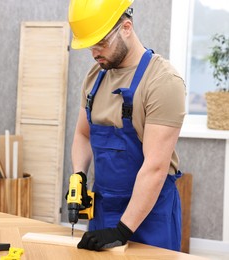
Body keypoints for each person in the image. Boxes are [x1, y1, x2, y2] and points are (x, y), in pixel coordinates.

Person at [68, 0, 186, 251]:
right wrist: (79, 175)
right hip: (103, 209)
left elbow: (155, 167)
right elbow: (83, 134)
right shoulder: (94, 78)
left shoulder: (163, 81)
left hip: (150, 216)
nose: (95, 53)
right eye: (90, 45)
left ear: (126, 27)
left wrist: (122, 230)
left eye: (101, 42)